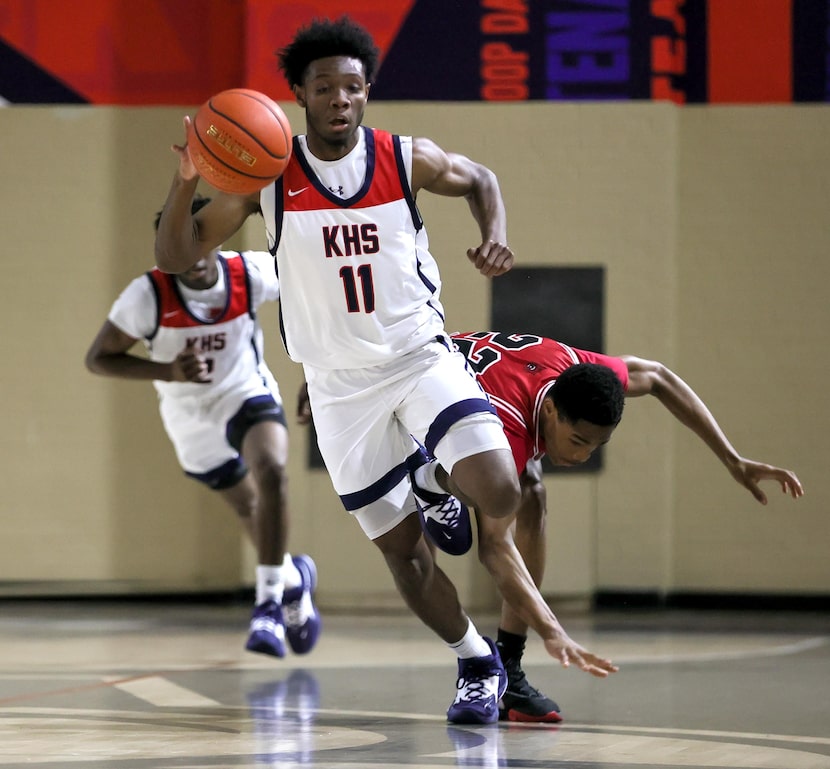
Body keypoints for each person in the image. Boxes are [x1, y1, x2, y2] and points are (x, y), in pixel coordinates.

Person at [153, 16, 617, 724]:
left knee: (498, 486)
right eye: (323, 87)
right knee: (404, 555)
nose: (339, 98)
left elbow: (481, 178)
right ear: (301, 98)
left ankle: (433, 476)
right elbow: (177, 257)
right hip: (340, 388)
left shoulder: (405, 158)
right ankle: (474, 660)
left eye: (351, 86)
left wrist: (495, 235)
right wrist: (185, 180)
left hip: (418, 356)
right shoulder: (268, 181)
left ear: (366, 92)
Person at [409, 330, 804, 722]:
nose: (583, 455)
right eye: (578, 440)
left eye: (596, 446)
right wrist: (553, 631)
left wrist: (733, 460)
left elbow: (658, 377)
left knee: (532, 490)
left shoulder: (576, 370)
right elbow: (494, 548)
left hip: (481, 383)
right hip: (416, 410)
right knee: (416, 557)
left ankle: (508, 667)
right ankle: (435, 481)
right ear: (551, 412)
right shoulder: (508, 430)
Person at [85, 195, 321, 660]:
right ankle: (295, 579)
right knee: (250, 507)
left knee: (272, 470)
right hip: (190, 415)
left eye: (198, 240)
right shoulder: (147, 295)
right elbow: (98, 359)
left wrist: (315, 373)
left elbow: (315, 295)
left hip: (243, 392)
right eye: (177, 247)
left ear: (214, 236)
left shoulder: (248, 273)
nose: (190, 255)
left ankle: (269, 603)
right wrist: (168, 371)